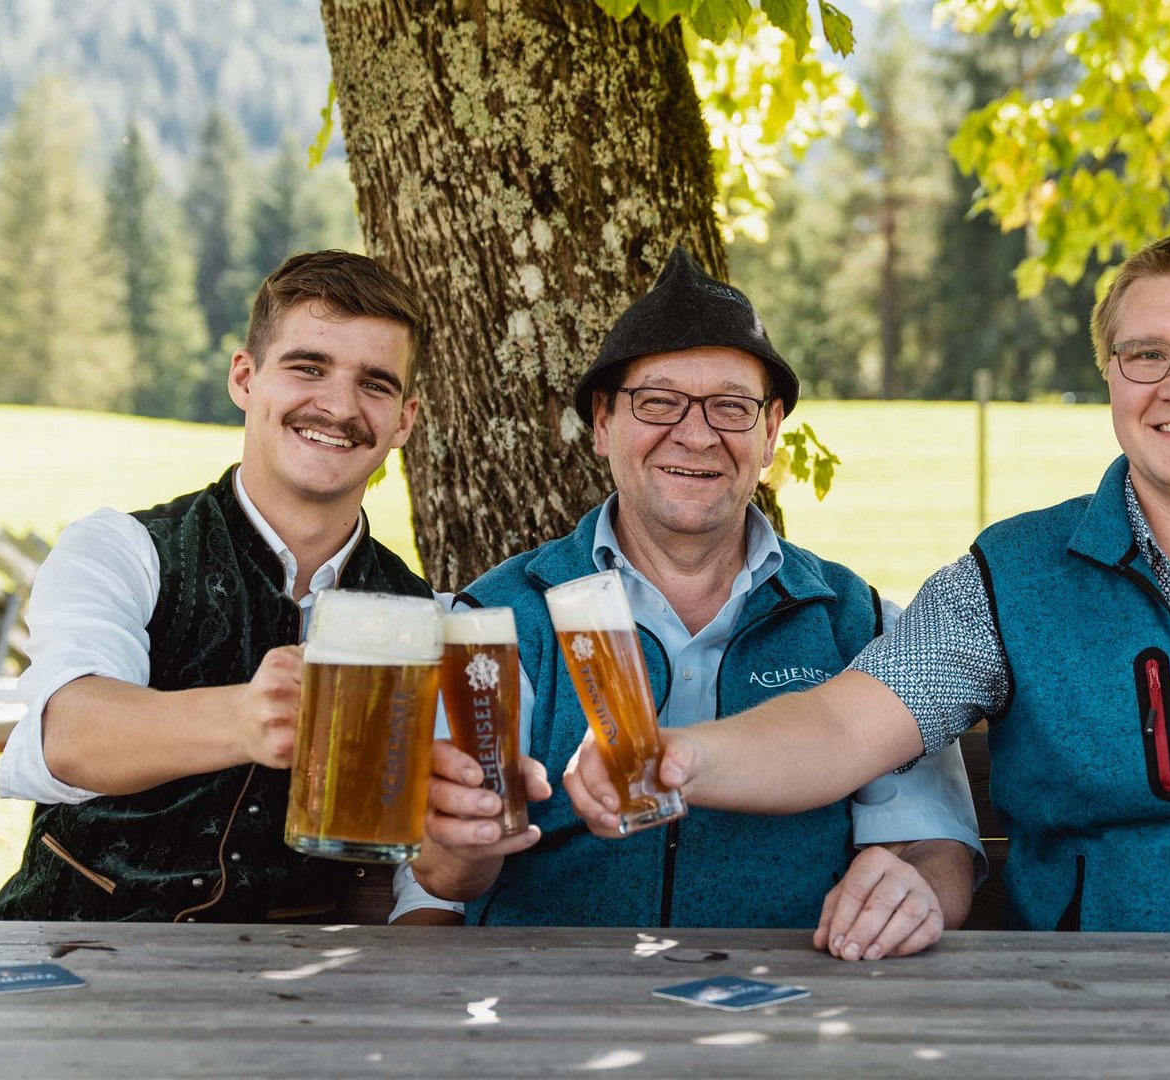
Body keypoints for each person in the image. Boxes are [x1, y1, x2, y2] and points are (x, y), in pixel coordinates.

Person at [566, 230, 1170, 987]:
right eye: (1145, 354)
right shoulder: (1011, 574)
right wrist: (680, 756)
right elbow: (840, 723)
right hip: (1069, 1006)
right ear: (1111, 375)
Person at [401, 247, 982, 958]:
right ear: (602, 424)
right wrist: (460, 848)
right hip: (551, 1015)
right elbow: (434, 889)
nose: (697, 433)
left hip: (795, 1006)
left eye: (731, 407)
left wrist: (915, 889)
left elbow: (935, 849)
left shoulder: (852, 619)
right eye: (659, 402)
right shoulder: (497, 620)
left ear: (770, 435)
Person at [0, 250, 433, 922]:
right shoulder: (121, 549)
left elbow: (397, 876)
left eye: (375, 384)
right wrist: (242, 719)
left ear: (404, 420)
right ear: (245, 378)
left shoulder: (422, 615)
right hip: (80, 967)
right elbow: (68, 736)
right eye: (308, 367)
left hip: (293, 997)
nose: (340, 405)